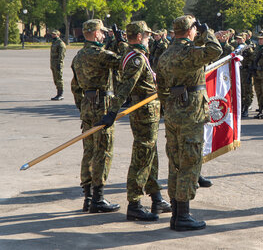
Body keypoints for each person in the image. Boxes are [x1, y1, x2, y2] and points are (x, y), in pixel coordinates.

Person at [97, 21, 171, 222]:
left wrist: (120, 41)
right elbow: (124, 87)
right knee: (142, 157)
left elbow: (124, 51)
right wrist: (112, 112)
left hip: (150, 112)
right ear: (139, 37)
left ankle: (156, 197)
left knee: (150, 155)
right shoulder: (136, 59)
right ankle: (135, 203)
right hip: (144, 112)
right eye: (146, 36)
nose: (148, 39)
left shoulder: (135, 54)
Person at [156, 15, 222, 231]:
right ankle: (183, 216)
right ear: (190, 30)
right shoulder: (190, 53)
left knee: (175, 163)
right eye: (194, 29)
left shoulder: (165, 55)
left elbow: (161, 90)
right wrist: (207, 31)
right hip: (191, 114)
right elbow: (216, 50)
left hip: (174, 113)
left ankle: (176, 213)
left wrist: (171, 105)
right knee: (190, 163)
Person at [70, 19, 123, 213]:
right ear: (94, 33)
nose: (104, 35)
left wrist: (82, 107)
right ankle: (98, 198)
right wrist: (121, 42)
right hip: (102, 106)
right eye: (102, 32)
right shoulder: (101, 55)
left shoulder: (78, 56)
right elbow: (126, 62)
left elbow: (75, 86)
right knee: (103, 151)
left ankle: (88, 196)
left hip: (87, 105)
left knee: (89, 150)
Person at [252, 31, 263, 119]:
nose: (260, 41)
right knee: (258, 93)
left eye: (262, 39)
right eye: (259, 39)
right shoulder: (257, 48)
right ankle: (260, 109)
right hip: (257, 74)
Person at [50, 29, 66, 101]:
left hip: (58, 64)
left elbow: (61, 55)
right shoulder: (54, 42)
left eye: (54, 34)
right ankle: (58, 93)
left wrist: (59, 64)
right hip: (53, 63)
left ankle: (60, 94)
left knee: (59, 79)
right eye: (52, 34)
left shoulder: (60, 43)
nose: (53, 35)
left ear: (58, 35)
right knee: (55, 79)